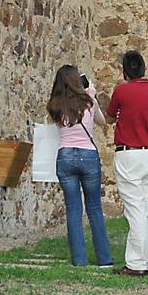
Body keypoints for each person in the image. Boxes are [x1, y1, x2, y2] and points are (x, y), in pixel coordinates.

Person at [105, 50, 148, 276]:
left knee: (135, 209)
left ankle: (135, 262)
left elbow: (110, 117)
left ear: (125, 70)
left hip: (128, 152)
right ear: (145, 68)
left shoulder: (122, 91)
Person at [47, 65, 114, 268]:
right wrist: (91, 95)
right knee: (94, 207)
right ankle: (104, 259)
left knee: (73, 209)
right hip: (88, 155)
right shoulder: (88, 102)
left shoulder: (54, 105)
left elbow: (55, 124)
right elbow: (103, 122)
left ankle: (79, 259)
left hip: (65, 156)